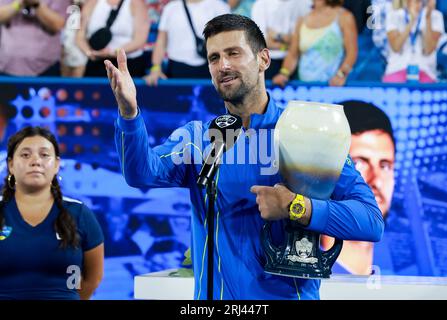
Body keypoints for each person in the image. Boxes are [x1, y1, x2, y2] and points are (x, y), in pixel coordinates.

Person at [105, 14, 383, 300]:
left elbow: (371, 221)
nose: (222, 66)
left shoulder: (309, 132)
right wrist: (129, 114)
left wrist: (296, 206)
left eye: (233, 53)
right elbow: (141, 173)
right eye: (214, 58)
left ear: (263, 59)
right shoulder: (198, 139)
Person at [0, 126, 104, 299]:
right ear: (10, 164)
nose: (35, 161)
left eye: (44, 154)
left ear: (56, 164)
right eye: (25, 155)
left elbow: (92, 279)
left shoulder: (79, 214)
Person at [321, 100, 395, 275]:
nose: (376, 180)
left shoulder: (408, 277)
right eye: (359, 163)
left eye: (384, 165)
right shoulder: (301, 279)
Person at [272, 0, 358, 87]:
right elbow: (293, 54)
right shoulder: (302, 20)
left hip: (332, 87)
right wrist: (284, 73)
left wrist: (341, 74)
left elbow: (352, 52)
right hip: (306, 88)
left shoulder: (345, 17)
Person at [143, 0, 229, 85]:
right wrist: (155, 68)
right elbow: (161, 41)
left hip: (210, 67)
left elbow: (228, 41)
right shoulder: (171, 8)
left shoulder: (219, 6)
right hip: (176, 68)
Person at [76, 0, 150, 77]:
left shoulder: (137, 4)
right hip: (96, 64)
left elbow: (140, 39)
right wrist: (89, 53)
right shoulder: (91, 3)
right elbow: (79, 36)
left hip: (128, 65)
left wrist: (114, 52)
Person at [0, 0, 71, 76]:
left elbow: (59, 25)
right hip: (6, 66)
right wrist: (18, 4)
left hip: (46, 68)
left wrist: (36, 5)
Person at [383, 0, 444, 83]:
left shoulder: (436, 15)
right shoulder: (393, 15)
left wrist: (428, 18)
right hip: (397, 68)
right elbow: (396, 47)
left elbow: (429, 50)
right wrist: (412, 21)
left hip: (425, 69)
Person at [251, 0, 311, 79]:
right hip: (268, 62)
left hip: (297, 62)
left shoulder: (305, 3)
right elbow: (260, 42)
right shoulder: (261, 4)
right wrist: (292, 44)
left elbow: (305, 40)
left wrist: (277, 35)